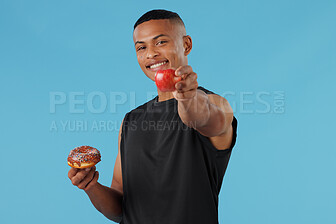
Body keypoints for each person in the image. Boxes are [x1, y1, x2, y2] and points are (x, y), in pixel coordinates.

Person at [68, 9, 238, 224]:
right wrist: (91, 186)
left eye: (160, 42)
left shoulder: (214, 104)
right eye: (141, 47)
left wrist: (187, 98)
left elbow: (202, 118)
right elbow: (120, 209)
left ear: (186, 44)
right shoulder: (131, 121)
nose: (150, 54)